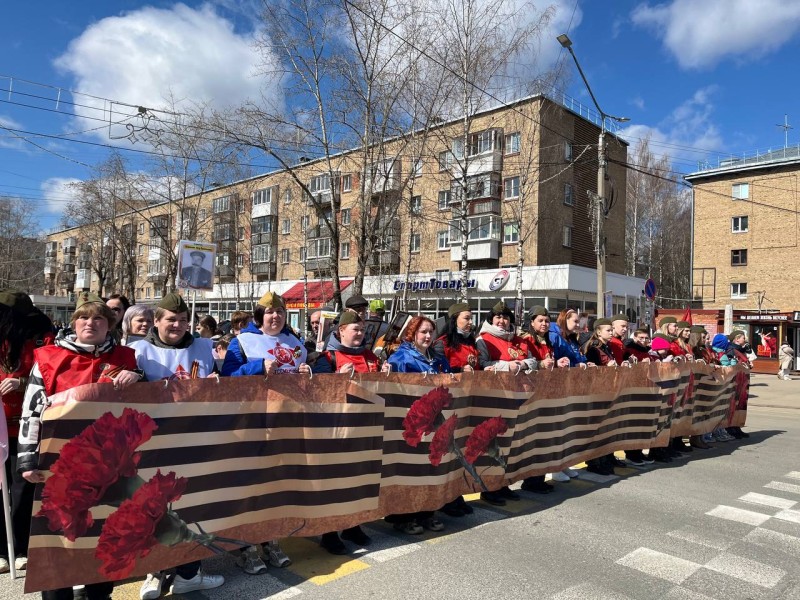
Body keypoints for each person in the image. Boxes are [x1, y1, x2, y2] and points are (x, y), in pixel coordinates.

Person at [18, 292, 141, 600]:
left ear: (109, 324)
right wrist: (27, 459)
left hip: (110, 464)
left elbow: (142, 407)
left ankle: (100, 594)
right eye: (84, 317)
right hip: (61, 463)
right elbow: (32, 410)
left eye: (98, 318)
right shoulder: (49, 357)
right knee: (59, 535)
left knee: (105, 533)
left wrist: (138, 377)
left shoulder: (125, 357)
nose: (90, 323)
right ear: (74, 323)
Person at [129, 293, 225, 598]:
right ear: (156, 321)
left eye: (184, 320)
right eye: (171, 319)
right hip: (155, 441)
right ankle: (155, 571)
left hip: (195, 438)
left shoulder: (203, 346)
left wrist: (217, 381)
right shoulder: (138, 350)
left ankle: (189, 572)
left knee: (193, 507)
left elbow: (223, 385)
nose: (178, 325)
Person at [221, 291, 317, 570]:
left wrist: (307, 373)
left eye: (280, 312)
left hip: (286, 423)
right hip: (253, 423)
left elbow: (304, 383)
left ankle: (271, 539)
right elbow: (228, 379)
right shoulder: (242, 341)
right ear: (259, 316)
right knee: (251, 486)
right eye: (269, 312)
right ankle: (247, 545)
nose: (275, 317)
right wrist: (255, 367)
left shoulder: (295, 342)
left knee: (278, 485)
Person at [316, 311, 388, 554]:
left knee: (360, 480)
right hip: (338, 431)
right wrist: (336, 379)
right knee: (335, 483)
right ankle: (329, 531)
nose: (360, 333)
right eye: (355, 329)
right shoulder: (327, 357)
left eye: (362, 329)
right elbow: (316, 394)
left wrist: (386, 373)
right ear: (341, 331)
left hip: (366, 428)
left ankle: (352, 524)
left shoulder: (370, 356)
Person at [0, 291, 52, 574]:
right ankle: (1, 547)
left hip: (28, 424)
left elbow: (47, 370)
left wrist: (21, 383)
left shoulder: (42, 336)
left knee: (23, 488)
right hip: (0, 420)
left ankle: (19, 545)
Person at [386, 315, 450, 534]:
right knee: (409, 470)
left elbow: (449, 380)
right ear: (412, 334)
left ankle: (427, 512)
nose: (428, 336)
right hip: (411, 422)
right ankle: (404, 516)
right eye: (423, 332)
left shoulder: (435, 356)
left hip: (434, 421)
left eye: (430, 332)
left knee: (430, 467)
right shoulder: (401, 357)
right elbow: (396, 391)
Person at [475, 302, 534, 504]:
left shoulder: (519, 340)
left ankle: (503, 483)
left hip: (517, 399)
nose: (502, 321)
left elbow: (533, 361)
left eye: (506, 318)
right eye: (498, 317)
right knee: (494, 445)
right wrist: (506, 366)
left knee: (510, 443)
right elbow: (482, 365)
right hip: (495, 398)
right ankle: (490, 488)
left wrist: (523, 363)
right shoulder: (484, 340)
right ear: (491, 319)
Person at [431, 302, 478, 517]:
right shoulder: (443, 344)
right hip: (452, 405)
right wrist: (459, 370)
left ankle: (456, 493)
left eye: (471, 318)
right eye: (466, 318)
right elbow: (441, 373)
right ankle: (445, 498)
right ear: (455, 319)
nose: (470, 322)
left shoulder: (471, 342)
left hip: (469, 403)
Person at [523, 306, 574, 489]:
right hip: (532, 394)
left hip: (546, 392)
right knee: (534, 439)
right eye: (540, 321)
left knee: (545, 436)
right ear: (532, 322)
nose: (544, 324)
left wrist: (558, 364)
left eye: (546, 321)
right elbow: (525, 365)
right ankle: (532, 480)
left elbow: (548, 362)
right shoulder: (526, 340)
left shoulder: (546, 340)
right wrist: (540, 364)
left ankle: (539, 478)